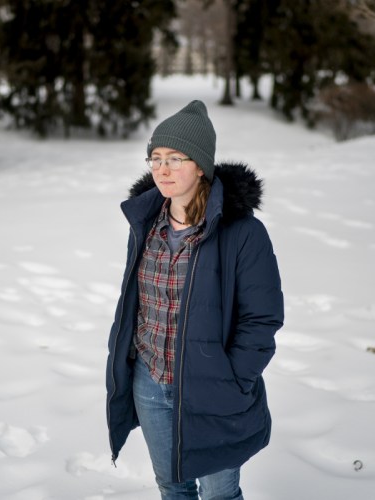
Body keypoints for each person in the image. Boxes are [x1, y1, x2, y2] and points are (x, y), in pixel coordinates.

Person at [106, 100, 284, 500]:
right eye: (155, 158)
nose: (162, 169)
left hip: (214, 389)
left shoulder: (243, 233)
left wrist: (234, 379)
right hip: (149, 383)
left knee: (220, 492)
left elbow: (262, 318)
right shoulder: (146, 222)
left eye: (175, 158)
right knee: (172, 487)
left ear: (201, 165)